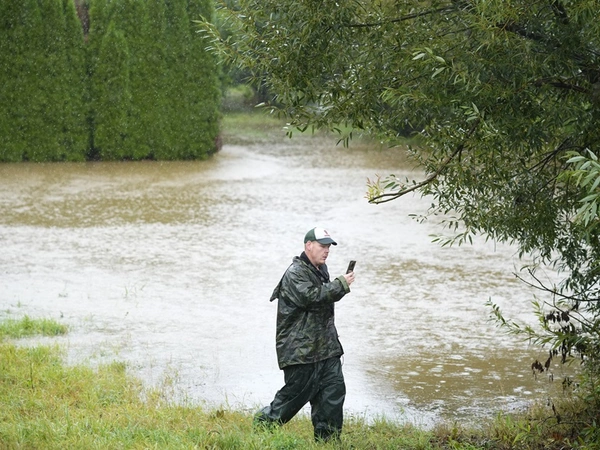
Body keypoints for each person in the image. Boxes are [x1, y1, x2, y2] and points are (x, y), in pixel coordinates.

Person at [254, 226, 355, 442]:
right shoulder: (295, 273)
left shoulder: (320, 270)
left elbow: (322, 299)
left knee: (333, 393)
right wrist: (341, 285)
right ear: (308, 245)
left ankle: (328, 442)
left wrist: (337, 286)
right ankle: (262, 424)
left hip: (326, 349)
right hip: (300, 351)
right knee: (293, 397)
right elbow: (312, 297)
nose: (326, 251)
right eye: (322, 246)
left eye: (329, 247)